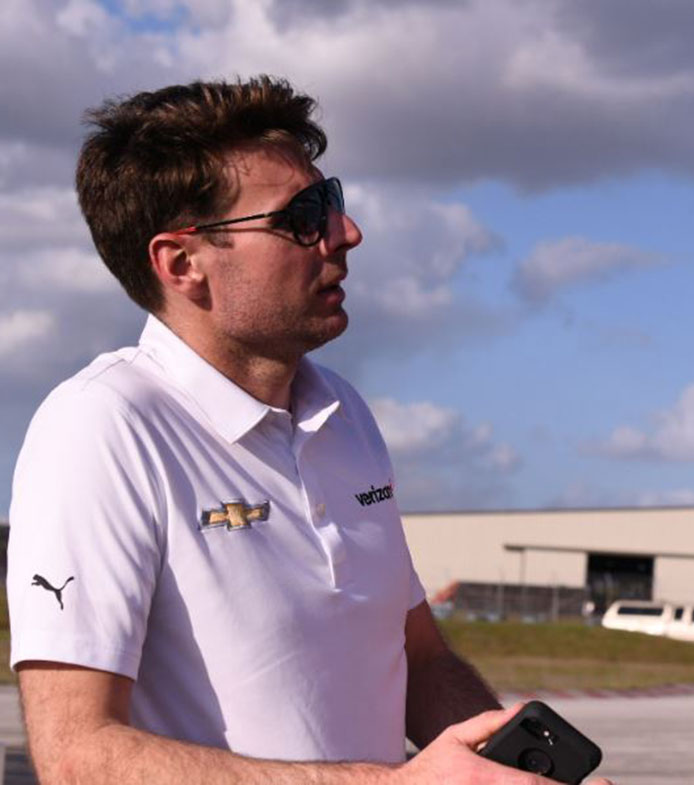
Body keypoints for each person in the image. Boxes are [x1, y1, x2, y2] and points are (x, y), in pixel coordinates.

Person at [7, 76, 609, 784]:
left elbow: (418, 660)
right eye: (303, 215)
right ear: (182, 264)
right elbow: (77, 755)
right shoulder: (103, 425)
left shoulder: (343, 412)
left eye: (335, 200)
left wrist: (513, 765)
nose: (345, 233)